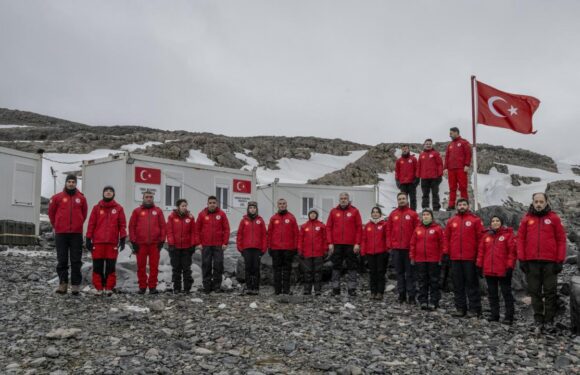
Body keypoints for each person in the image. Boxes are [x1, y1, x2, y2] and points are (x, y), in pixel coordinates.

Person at [517, 192, 567, 333]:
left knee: (550, 291)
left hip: (550, 262)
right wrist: (522, 259)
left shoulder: (554, 218)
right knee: (535, 292)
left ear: (546, 202)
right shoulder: (526, 219)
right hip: (531, 262)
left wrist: (560, 260)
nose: (538, 204)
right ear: (532, 202)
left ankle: (549, 320)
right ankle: (538, 319)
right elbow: (520, 240)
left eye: (541, 201)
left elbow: (561, 240)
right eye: (536, 201)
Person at [48, 174, 88, 295]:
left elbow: (84, 214)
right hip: (61, 234)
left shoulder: (81, 198)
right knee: (62, 259)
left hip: (76, 234)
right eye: (69, 181)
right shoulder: (57, 198)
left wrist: (78, 223)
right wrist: (57, 225)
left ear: (76, 184)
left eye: (73, 182)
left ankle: (75, 285)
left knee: (76, 260)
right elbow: (51, 213)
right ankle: (63, 284)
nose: (71, 183)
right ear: (66, 183)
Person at [444, 198, 484, 318]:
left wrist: (478, 257)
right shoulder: (452, 221)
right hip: (455, 258)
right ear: (456, 206)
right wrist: (446, 253)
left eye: (464, 204)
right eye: (460, 204)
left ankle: (474, 309)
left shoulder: (475, 220)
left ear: (468, 206)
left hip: (470, 258)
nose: (462, 206)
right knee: (458, 284)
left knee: (472, 284)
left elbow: (480, 239)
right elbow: (446, 238)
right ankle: (460, 308)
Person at [85, 186, 127, 296]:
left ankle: (108, 287)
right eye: (106, 191)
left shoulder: (119, 209)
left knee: (110, 266)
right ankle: (99, 288)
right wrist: (88, 238)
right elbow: (91, 224)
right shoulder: (96, 208)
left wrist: (122, 239)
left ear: (114, 194)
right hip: (98, 243)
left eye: (110, 191)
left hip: (112, 243)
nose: (108, 192)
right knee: (97, 266)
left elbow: (122, 225)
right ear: (103, 193)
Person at [476, 215, 516, 324]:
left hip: (503, 270)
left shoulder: (508, 235)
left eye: (497, 220)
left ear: (501, 222)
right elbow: (481, 252)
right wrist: (479, 266)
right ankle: (495, 315)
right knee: (492, 293)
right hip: (489, 269)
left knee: (506, 293)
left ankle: (509, 316)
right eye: (493, 221)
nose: (495, 222)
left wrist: (509, 267)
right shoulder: (486, 236)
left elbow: (511, 253)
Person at [129, 190, 166, 294]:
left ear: (153, 198)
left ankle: (152, 287)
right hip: (141, 244)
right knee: (141, 267)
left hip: (155, 244)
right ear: (143, 198)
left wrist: (162, 240)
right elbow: (131, 226)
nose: (149, 199)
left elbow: (163, 226)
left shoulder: (158, 211)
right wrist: (133, 241)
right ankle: (142, 287)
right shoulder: (137, 211)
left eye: (150, 197)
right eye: (147, 197)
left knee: (154, 267)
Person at [327, 192, 363, 296]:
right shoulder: (333, 211)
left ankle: (351, 289)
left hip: (351, 244)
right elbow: (328, 227)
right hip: (337, 244)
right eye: (341, 198)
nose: (343, 200)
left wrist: (357, 243)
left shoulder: (354, 211)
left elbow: (359, 228)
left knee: (352, 266)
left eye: (345, 198)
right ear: (339, 199)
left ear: (348, 199)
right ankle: (335, 288)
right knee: (336, 266)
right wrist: (330, 242)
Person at [386, 193, 420, 304]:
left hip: (409, 249)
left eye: (403, 198)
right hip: (396, 249)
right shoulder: (393, 214)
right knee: (399, 273)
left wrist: (414, 246)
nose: (401, 200)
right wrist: (390, 245)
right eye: (399, 199)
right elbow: (388, 231)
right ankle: (401, 295)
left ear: (407, 200)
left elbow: (417, 231)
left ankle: (411, 296)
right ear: (397, 201)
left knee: (410, 274)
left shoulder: (413, 214)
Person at [409, 209, 446, 311]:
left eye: (427, 215)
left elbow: (442, 244)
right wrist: (412, 257)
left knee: (434, 281)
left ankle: (434, 301)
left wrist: (440, 258)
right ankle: (423, 301)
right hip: (420, 260)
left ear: (431, 217)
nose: (425, 216)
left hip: (433, 260)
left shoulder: (437, 229)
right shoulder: (417, 229)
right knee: (422, 281)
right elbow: (412, 244)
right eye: (424, 215)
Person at [196, 196, 230, 294]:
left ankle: (216, 286)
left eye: (214, 202)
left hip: (218, 245)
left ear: (217, 203)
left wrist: (225, 242)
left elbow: (226, 229)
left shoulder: (222, 214)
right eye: (210, 202)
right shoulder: (202, 214)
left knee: (218, 265)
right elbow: (197, 230)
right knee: (206, 265)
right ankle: (207, 286)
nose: (212, 204)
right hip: (205, 245)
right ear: (207, 204)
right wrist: (198, 243)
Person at [267, 198, 299, 295]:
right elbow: (269, 234)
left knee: (287, 270)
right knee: (276, 270)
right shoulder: (273, 218)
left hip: (288, 249)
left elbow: (296, 234)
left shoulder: (291, 217)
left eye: (284, 203)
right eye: (280, 204)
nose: (282, 205)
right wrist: (269, 247)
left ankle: (286, 290)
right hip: (276, 248)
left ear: (286, 205)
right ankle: (277, 290)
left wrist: (295, 247)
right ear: (277, 205)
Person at [166, 199, 198, 294]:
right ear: (178, 207)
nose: (184, 207)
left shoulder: (191, 217)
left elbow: (193, 232)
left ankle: (187, 288)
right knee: (176, 268)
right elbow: (169, 231)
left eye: (185, 206)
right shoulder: (171, 217)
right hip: (175, 247)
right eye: (182, 206)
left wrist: (193, 244)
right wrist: (171, 243)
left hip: (187, 247)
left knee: (186, 268)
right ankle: (177, 288)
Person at [236, 201, 267, 295]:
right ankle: (249, 287)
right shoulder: (244, 221)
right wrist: (240, 248)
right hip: (247, 249)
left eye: (254, 208)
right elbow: (239, 235)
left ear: (256, 209)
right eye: (250, 208)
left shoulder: (260, 220)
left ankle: (256, 288)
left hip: (257, 249)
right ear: (248, 209)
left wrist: (263, 249)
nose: (252, 209)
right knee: (248, 268)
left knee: (256, 268)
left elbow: (264, 236)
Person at [361, 207, 389, 300]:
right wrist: (363, 252)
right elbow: (364, 239)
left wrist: (387, 249)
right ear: (371, 214)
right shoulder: (368, 225)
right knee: (372, 273)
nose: (375, 214)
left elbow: (387, 238)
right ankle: (373, 292)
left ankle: (380, 292)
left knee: (380, 273)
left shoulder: (384, 224)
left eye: (377, 212)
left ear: (380, 214)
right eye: (373, 212)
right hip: (370, 253)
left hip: (381, 253)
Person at [297, 209, 327, 296]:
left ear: (316, 215)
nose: (313, 215)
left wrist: (325, 250)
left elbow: (325, 239)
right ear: (309, 215)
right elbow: (300, 240)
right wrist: (300, 250)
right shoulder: (304, 226)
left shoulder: (321, 226)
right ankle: (307, 290)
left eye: (314, 214)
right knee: (307, 272)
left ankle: (317, 290)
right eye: (311, 213)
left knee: (318, 272)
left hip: (318, 253)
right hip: (307, 253)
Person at [443, 127, 472, 210]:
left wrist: (467, 165)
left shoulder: (464, 142)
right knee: (452, 187)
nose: (450, 135)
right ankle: (451, 205)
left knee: (463, 187)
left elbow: (468, 154)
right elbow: (447, 157)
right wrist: (445, 168)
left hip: (461, 168)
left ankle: (464, 205)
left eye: (451, 133)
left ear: (456, 132)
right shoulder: (450, 145)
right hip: (451, 169)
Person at [417, 138, 443, 211]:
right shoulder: (421, 155)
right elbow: (419, 166)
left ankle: (436, 208)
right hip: (424, 178)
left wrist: (440, 175)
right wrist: (418, 176)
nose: (428, 145)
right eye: (427, 144)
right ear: (424, 145)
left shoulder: (435, 153)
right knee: (425, 194)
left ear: (432, 145)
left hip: (434, 177)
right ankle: (425, 207)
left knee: (435, 193)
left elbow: (440, 164)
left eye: (429, 144)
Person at [395, 145, 419, 211]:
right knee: (403, 199)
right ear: (402, 150)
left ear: (408, 150)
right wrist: (397, 181)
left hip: (412, 183)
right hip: (402, 183)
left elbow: (417, 170)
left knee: (413, 199)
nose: (405, 150)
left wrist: (416, 180)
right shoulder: (399, 161)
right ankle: (403, 212)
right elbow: (397, 171)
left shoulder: (413, 159)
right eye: (403, 149)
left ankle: (413, 212)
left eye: (406, 149)